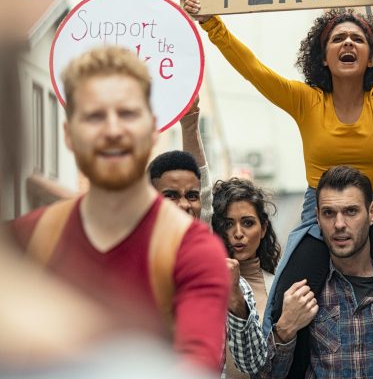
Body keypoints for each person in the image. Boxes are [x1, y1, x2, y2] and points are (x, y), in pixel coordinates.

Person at [181, 0, 373, 373]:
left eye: (358, 39)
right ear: (324, 56)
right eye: (337, 39)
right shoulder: (306, 101)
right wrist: (212, 23)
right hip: (318, 214)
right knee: (285, 293)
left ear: (372, 57)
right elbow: (254, 70)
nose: (348, 43)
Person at [11, 46, 231, 372]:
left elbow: (197, 366)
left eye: (127, 113)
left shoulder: (193, 251)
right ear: (69, 135)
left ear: (151, 127)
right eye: (95, 115)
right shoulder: (23, 242)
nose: (113, 130)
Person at [232, 165, 373, 379]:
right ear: (317, 217)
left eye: (351, 211)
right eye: (329, 213)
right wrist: (285, 329)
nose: (339, 224)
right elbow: (265, 376)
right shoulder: (304, 289)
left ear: (372, 213)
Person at [210, 177, 280, 379]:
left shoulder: (277, 285)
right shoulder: (206, 282)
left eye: (248, 223)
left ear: (264, 228)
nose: (238, 233)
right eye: (228, 224)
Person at [148, 96, 213, 223]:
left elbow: (204, 192)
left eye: (192, 196)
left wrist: (190, 120)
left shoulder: (203, 240)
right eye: (171, 196)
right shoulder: (137, 241)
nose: (184, 205)